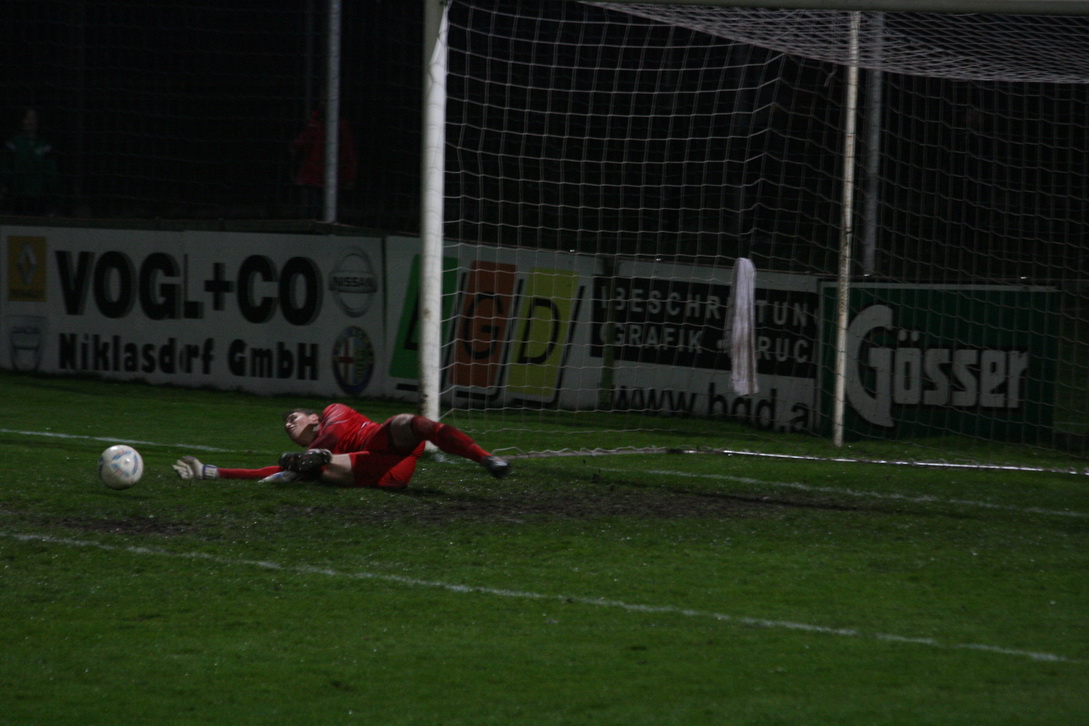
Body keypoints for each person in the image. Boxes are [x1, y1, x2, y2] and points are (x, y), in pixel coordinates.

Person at [172, 403, 510, 489]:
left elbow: (330, 440)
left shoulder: (334, 413)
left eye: (294, 417)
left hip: (385, 441)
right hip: (385, 471)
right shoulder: (310, 454)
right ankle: (314, 468)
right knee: (318, 467)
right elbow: (273, 470)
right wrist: (213, 472)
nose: (289, 424)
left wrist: (305, 461)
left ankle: (485, 458)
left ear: (314, 417)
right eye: (285, 425)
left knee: (411, 421)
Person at [290, 109, 357, 219]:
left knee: (323, 207)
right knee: (316, 207)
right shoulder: (315, 123)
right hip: (316, 174)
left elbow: (348, 151)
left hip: (330, 175)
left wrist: (349, 175)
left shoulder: (339, 125)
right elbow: (301, 143)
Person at [1, 107, 59, 216]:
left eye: (33, 118)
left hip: (39, 197)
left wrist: (53, 195)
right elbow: (6, 167)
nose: (30, 121)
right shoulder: (14, 143)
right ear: (23, 121)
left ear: (38, 122)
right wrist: (3, 186)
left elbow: (51, 172)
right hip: (17, 195)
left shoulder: (44, 145)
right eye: (27, 118)